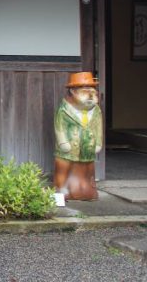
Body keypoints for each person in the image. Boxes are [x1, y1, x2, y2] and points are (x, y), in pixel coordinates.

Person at [53, 71, 103, 201]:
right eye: (85, 92)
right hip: (69, 148)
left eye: (92, 92)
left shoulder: (96, 110)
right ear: (73, 91)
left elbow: (98, 127)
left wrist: (98, 142)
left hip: (88, 147)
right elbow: (59, 127)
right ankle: (61, 192)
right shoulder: (64, 109)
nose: (90, 96)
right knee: (63, 170)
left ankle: (87, 191)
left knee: (88, 170)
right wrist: (63, 142)